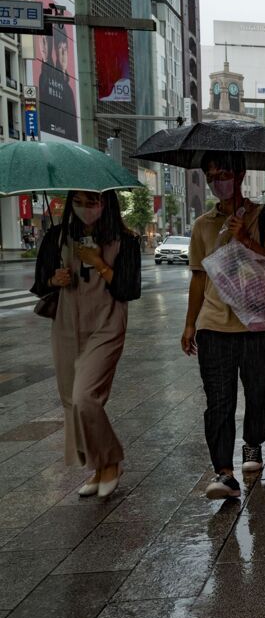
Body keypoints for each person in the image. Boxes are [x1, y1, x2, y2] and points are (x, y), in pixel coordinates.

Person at [183, 153, 265, 500]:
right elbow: (199, 278)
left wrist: (245, 239)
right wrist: (189, 325)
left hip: (257, 322)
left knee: (258, 391)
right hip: (213, 325)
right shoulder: (202, 225)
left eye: (224, 173)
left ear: (241, 174)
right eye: (212, 176)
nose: (218, 181)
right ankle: (224, 473)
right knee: (219, 401)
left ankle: (253, 444)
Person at [31, 190, 141, 498]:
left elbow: (128, 289)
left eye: (91, 201)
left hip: (106, 324)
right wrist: (55, 280)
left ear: (106, 204)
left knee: (85, 398)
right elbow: (40, 283)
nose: (84, 208)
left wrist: (99, 263)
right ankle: (98, 467)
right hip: (67, 325)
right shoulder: (58, 236)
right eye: (77, 202)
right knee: (71, 401)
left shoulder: (126, 240)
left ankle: (111, 460)